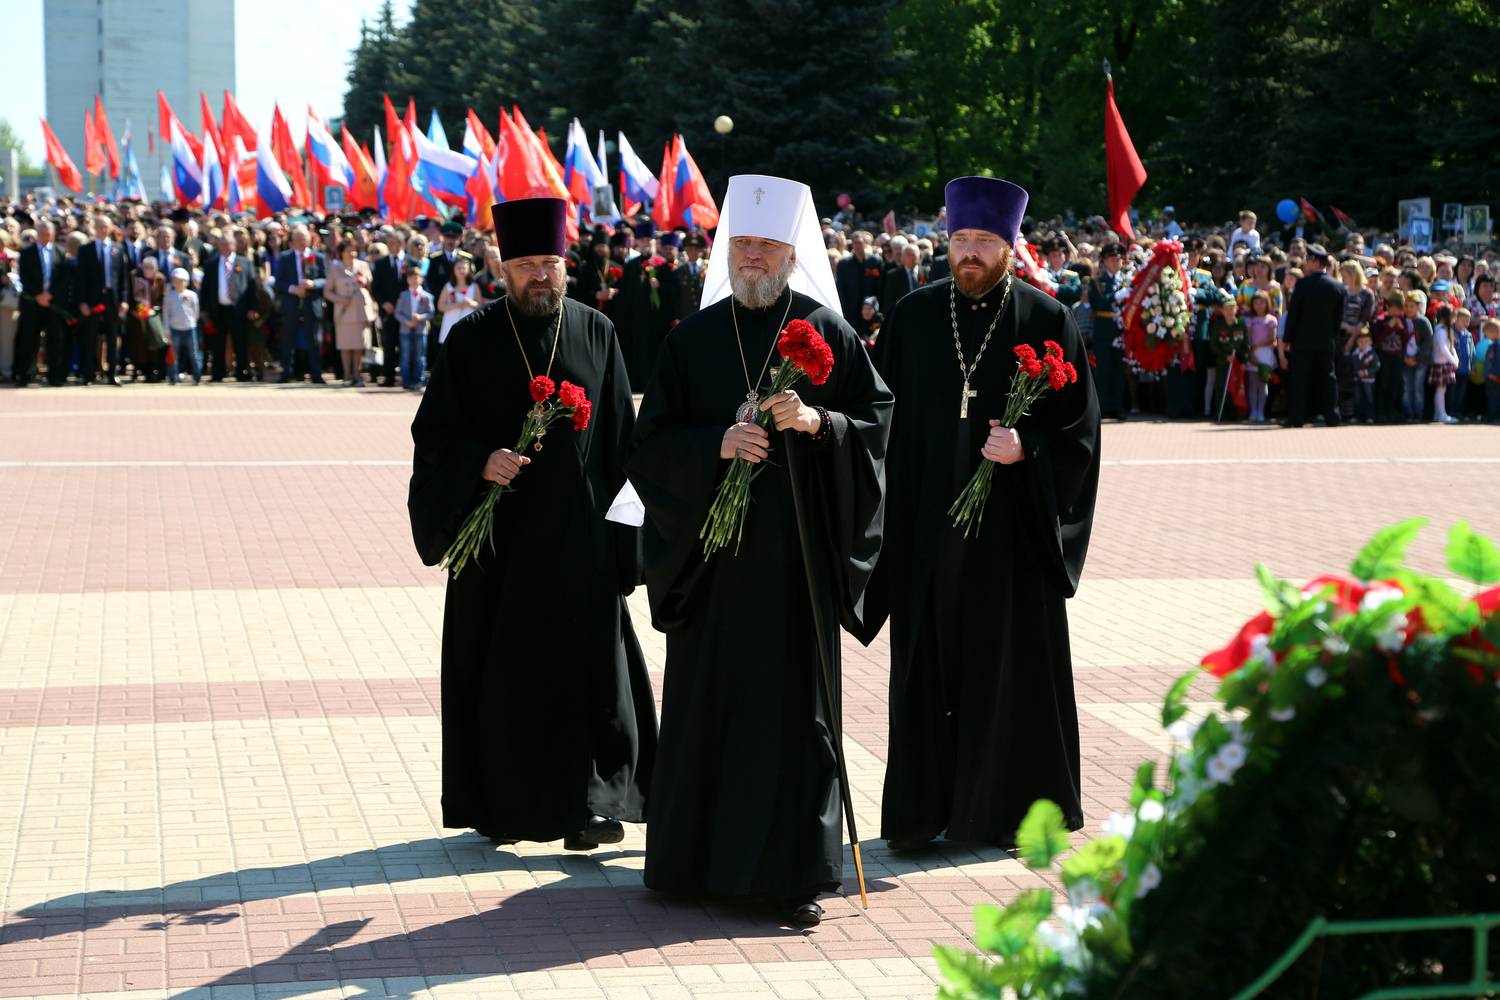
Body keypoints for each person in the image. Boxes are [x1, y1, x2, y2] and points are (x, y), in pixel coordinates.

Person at [627, 174, 891, 926]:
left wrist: (816, 423)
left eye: (767, 246)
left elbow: (877, 428)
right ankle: (692, 866)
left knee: (790, 719)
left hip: (793, 567)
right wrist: (715, 444)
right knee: (709, 709)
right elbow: (647, 446)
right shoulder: (692, 339)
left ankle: (789, 876)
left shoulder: (828, 333)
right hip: (711, 569)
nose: (752, 257)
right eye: (741, 243)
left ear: (791, 253)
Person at [408, 196, 656, 853]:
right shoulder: (471, 338)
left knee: (588, 676)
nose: (540, 276)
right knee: (508, 678)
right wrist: (479, 461)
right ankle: (507, 804)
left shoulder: (597, 332)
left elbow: (623, 443)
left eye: (549, 262)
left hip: (581, 542)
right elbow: (435, 433)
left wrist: (627, 545)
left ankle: (590, 805)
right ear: (502, 268)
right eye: (525, 265)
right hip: (501, 548)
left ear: (565, 264)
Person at [865, 174, 1099, 854]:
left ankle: (1009, 815)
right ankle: (921, 815)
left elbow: (1081, 432)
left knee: (1009, 671)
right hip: (925, 530)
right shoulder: (912, 317)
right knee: (927, 668)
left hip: (1010, 537)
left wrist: (1029, 449)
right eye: (961, 238)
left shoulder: (1047, 321)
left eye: (985, 241)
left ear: (1009, 246)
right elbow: (877, 422)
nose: (970, 252)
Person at [1281, 243, 1346, 427]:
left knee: (1300, 379)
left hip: (1303, 341)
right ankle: (1332, 416)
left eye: (1308, 259)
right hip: (1326, 340)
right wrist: (1332, 337)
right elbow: (1338, 318)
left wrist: (1287, 338)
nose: (1306, 263)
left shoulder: (1303, 284)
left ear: (1315, 261)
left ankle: (1297, 417)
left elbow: (1294, 314)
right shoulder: (1337, 286)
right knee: (1328, 378)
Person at [76, 215, 128, 385]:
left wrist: (124, 299)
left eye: (106, 226)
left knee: (113, 337)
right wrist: (82, 301)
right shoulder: (86, 249)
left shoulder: (118, 248)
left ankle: (112, 374)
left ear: (111, 228)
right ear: (95, 228)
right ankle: (89, 374)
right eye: (100, 226)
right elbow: (81, 278)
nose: (103, 230)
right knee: (90, 336)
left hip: (112, 299)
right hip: (93, 299)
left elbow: (123, 278)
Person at [15, 219, 67, 386]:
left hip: (53, 304)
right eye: (43, 233)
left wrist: (50, 295)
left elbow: (64, 279)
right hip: (32, 303)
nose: (46, 236)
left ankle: (54, 376)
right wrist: (38, 295)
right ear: (38, 234)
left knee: (54, 340)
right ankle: (25, 375)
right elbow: (24, 277)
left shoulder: (60, 252)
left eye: (49, 234)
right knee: (29, 340)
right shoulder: (26, 252)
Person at [274, 225, 327, 383]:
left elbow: (326, 279)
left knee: (314, 340)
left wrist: (313, 284)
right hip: (292, 304)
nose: (301, 242)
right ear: (292, 241)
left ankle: (316, 374)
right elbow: (278, 282)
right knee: (288, 339)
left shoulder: (318, 257)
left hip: (312, 303)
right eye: (297, 239)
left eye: (303, 239)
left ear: (309, 239)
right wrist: (293, 289)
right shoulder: (285, 257)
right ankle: (286, 373)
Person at [200, 232, 255, 381]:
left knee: (240, 342)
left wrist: (252, 307)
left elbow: (251, 287)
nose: (224, 247)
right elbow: (205, 288)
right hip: (218, 309)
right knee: (217, 343)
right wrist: (203, 309)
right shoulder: (211, 264)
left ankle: (242, 372)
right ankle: (218, 373)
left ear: (234, 245)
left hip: (239, 309)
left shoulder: (245, 262)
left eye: (228, 244)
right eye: (222, 244)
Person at [324, 239, 377, 388]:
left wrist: (363, 281)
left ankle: (357, 373)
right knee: (346, 345)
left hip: (361, 310)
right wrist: (340, 299)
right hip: (344, 311)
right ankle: (347, 374)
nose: (351, 254)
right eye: (348, 251)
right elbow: (327, 292)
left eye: (353, 250)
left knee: (360, 344)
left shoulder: (363, 265)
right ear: (341, 253)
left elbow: (370, 285)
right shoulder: (335, 268)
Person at [371, 234, 419, 387]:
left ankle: (409, 377)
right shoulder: (381, 263)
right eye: (389, 243)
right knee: (389, 343)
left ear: (401, 244)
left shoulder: (411, 262)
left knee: (408, 344)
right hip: (389, 311)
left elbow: (416, 285)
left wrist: (405, 303)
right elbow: (376, 287)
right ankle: (389, 377)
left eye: (394, 243)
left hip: (407, 311)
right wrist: (384, 303)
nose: (391, 246)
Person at [1088, 243, 1126, 419]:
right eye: (1112, 259)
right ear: (1104, 261)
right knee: (1103, 371)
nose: (1116, 261)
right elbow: (1097, 304)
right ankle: (1102, 407)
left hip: (1121, 331)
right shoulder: (1097, 282)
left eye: (1118, 258)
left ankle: (1119, 407)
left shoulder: (1127, 281)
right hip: (1104, 331)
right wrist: (1116, 296)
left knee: (1119, 371)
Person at [395, 264, 434, 390]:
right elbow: (398, 313)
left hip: (420, 329)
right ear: (407, 280)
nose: (414, 280)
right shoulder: (403, 295)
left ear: (421, 279)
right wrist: (406, 322)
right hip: (405, 330)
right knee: (405, 356)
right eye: (411, 277)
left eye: (417, 277)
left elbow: (431, 313)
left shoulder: (427, 296)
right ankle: (406, 381)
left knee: (420, 356)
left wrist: (420, 317)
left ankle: (418, 380)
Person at [1244, 290, 1280, 423]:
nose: (1259, 305)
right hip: (1253, 353)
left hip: (1265, 353)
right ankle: (1253, 411)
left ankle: (1261, 412)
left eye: (1262, 302)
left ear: (1267, 303)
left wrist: (1258, 345)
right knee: (1252, 384)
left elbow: (1272, 338)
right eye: (1256, 303)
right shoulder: (1249, 320)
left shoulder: (1271, 320)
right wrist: (1250, 351)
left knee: (1263, 383)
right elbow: (1248, 337)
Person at [163, 267, 201, 385]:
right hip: (174, 329)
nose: (179, 283)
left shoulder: (192, 295)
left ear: (187, 282)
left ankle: (197, 376)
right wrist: (167, 330)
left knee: (194, 353)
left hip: (190, 328)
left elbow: (196, 311)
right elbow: (166, 314)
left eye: (182, 281)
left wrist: (192, 322)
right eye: (176, 281)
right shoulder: (169, 295)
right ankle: (173, 377)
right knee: (174, 354)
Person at [436, 254, 480, 348]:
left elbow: (479, 305)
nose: (461, 270)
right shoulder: (448, 286)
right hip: (450, 322)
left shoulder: (474, 286)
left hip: (468, 323)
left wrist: (470, 303)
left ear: (469, 269)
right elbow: (440, 306)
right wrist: (457, 305)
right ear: (453, 269)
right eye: (458, 268)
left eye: (464, 268)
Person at [1401, 290, 1432, 422]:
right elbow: (1399, 341)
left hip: (1420, 361)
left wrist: (1416, 358)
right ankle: (1408, 413)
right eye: (1406, 306)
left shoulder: (1423, 322)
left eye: (1412, 306)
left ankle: (1418, 413)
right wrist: (1405, 357)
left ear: (1418, 307)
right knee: (1407, 387)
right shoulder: (1402, 321)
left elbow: (1428, 342)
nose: (1408, 309)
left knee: (1418, 387)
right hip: (1405, 360)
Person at [1429, 305, 1459, 424]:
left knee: (1442, 390)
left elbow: (1451, 347)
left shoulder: (1444, 329)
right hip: (1441, 363)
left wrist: (1455, 358)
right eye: (1453, 317)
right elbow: (1443, 348)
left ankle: (1439, 414)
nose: (1454, 319)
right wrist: (1453, 360)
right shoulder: (1441, 330)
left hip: (1444, 363)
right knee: (1441, 390)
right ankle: (1441, 415)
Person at [1350, 328, 1379, 423]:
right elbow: (1352, 366)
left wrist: (1366, 372)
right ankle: (1358, 416)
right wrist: (1356, 373)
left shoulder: (1372, 354)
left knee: (1369, 398)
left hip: (1368, 381)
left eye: (1366, 341)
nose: (1363, 344)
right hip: (1357, 380)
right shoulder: (1355, 354)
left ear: (1370, 342)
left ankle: (1370, 417)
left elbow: (1376, 366)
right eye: (1361, 341)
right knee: (1357, 399)